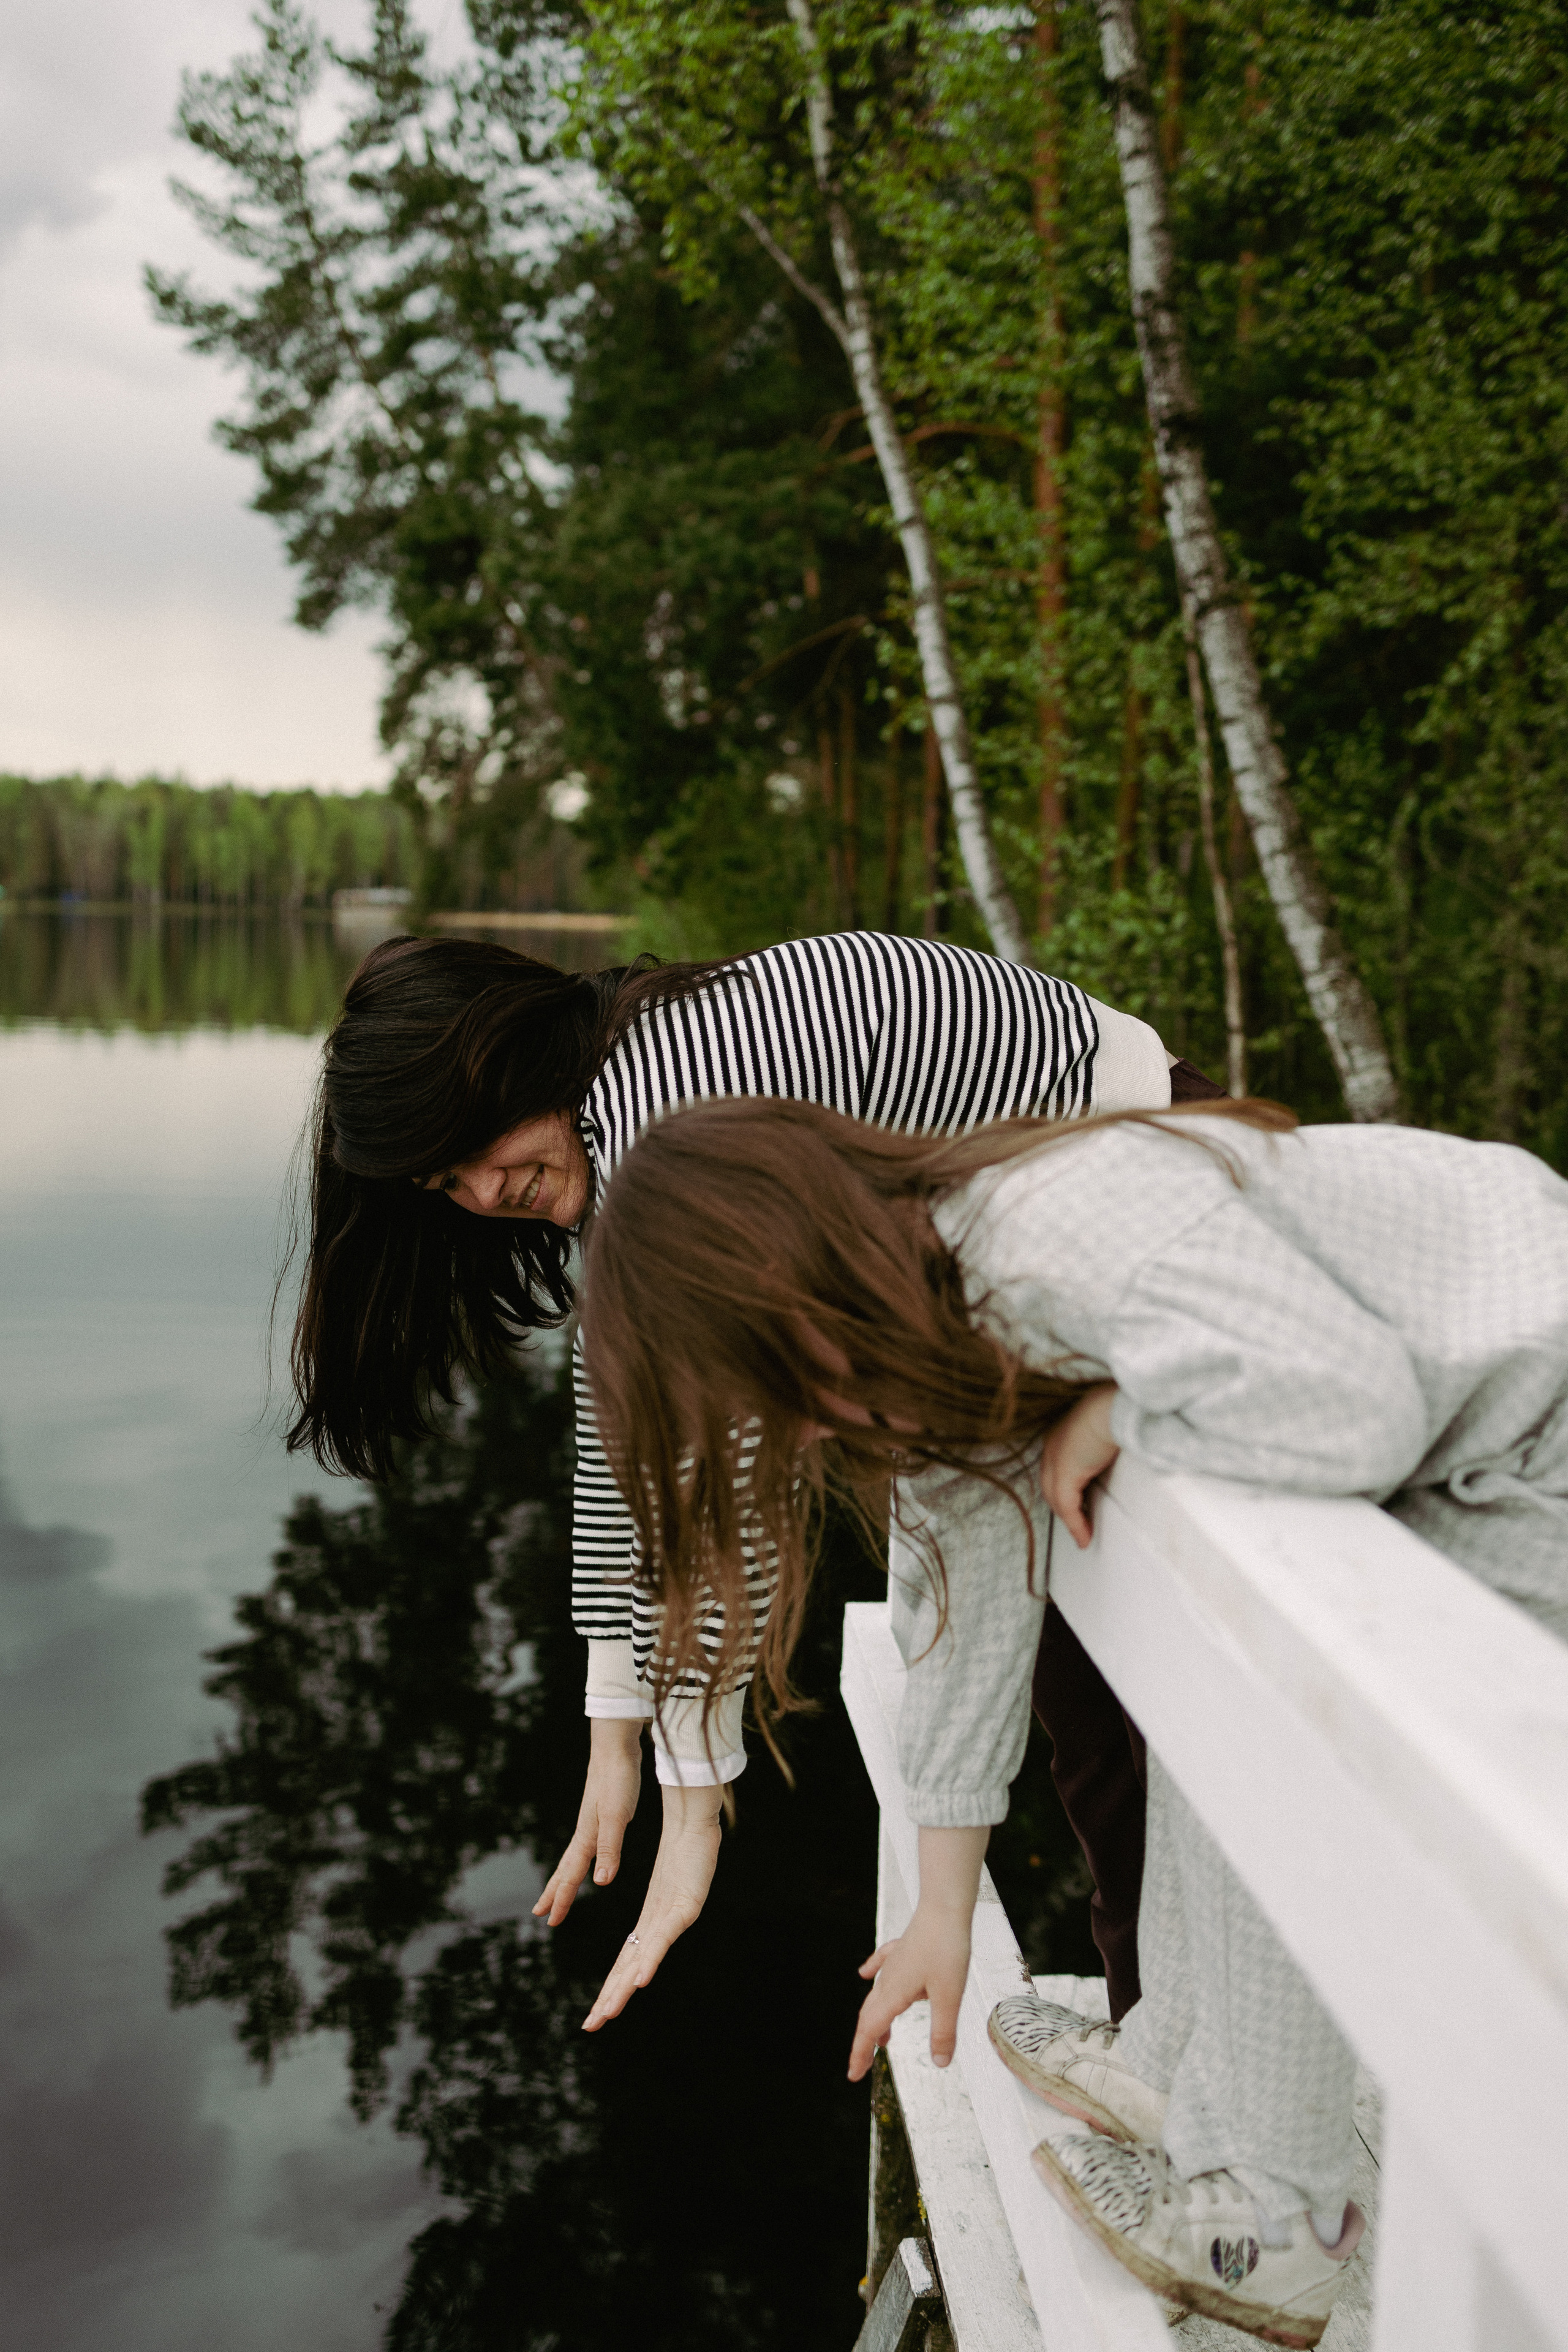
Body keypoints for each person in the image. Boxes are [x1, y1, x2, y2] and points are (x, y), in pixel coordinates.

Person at [576, 1093, 1568, 2342]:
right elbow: (958, 1611)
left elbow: (1344, 1400)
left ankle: (1280, 2225)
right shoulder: (936, 1319)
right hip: (1477, 1419)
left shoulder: (1056, 1231)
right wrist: (941, 1908)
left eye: (781, 1388)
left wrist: (1121, 1410)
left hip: (1538, 1422)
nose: (808, 1431)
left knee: (1269, 1753)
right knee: (1211, 1735)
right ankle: (1172, 2065)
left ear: (803, 1273)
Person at [288, 925, 1206, 2020]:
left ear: (510, 1053)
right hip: (1032, 1281)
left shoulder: (670, 1104)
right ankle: (1168, 2050)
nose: (485, 1195)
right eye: (447, 1183)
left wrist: (692, 1813)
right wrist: (613, 1723)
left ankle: (1202, 2073)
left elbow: (708, 1481)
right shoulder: (628, 1097)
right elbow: (621, 1428)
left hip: (1149, 1180)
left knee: (1136, 1696)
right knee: (1092, 1710)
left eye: (471, 1142)